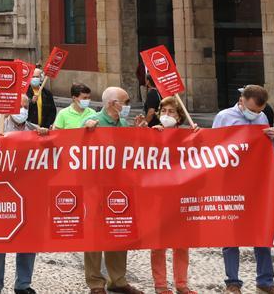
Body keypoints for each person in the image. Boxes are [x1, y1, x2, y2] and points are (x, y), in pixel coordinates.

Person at [213, 85, 274, 294]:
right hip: (231, 183)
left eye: (259, 111)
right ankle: (232, 282)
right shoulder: (224, 117)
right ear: (242, 100)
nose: (255, 114)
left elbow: (269, 149)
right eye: (252, 110)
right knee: (231, 234)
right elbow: (211, 147)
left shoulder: (261, 118)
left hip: (256, 184)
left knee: (261, 232)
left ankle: (265, 280)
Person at [81, 86, 144, 294]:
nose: (128, 106)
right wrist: (85, 130)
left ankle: (117, 280)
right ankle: (95, 282)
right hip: (94, 189)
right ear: (111, 104)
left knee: (119, 230)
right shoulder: (93, 122)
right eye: (125, 102)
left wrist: (138, 133)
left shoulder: (124, 123)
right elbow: (77, 146)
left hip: (119, 188)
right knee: (93, 234)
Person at [0, 93, 46, 294]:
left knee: (28, 240)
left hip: (29, 195)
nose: (23, 110)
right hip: (3, 194)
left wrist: (48, 138)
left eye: (26, 106)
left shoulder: (35, 130)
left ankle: (23, 284)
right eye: (19, 106)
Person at [148, 96, 199, 294]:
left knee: (182, 242)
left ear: (179, 117)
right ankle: (160, 285)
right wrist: (152, 137)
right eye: (164, 112)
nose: (166, 115)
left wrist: (198, 137)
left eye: (171, 112)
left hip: (181, 197)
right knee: (158, 244)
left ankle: (181, 284)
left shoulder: (188, 136)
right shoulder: (152, 135)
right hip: (158, 197)